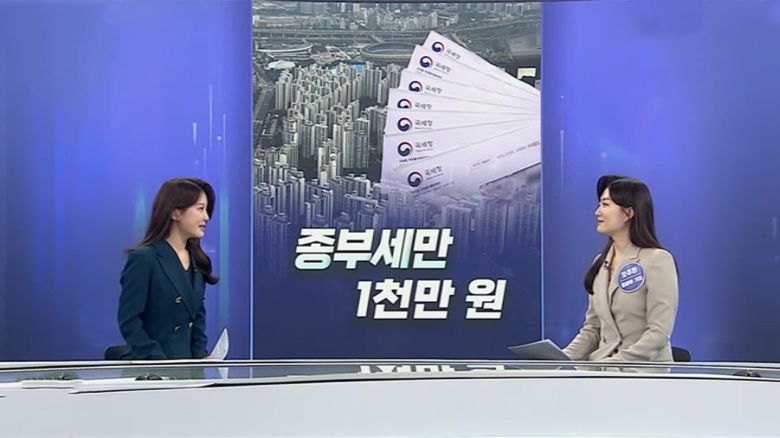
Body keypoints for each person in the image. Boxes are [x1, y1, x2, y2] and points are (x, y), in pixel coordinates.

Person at [563, 175, 678, 363]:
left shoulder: (658, 260)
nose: (597, 212)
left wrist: (613, 364)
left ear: (628, 213)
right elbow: (593, 328)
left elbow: (658, 333)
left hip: (641, 373)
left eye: (605, 205)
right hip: (600, 370)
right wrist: (559, 360)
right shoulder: (600, 262)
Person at [117, 177, 218, 359]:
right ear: (176, 213)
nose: (206, 217)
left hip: (188, 368)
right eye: (200, 209)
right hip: (153, 369)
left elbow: (197, 319)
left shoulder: (197, 261)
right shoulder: (145, 259)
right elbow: (129, 321)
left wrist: (201, 358)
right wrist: (158, 362)